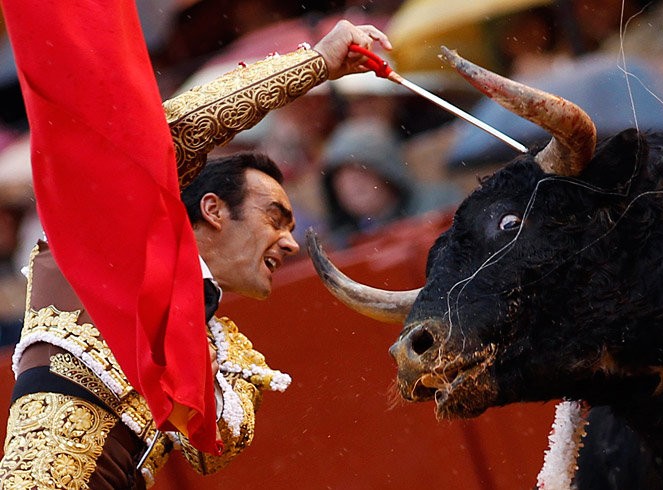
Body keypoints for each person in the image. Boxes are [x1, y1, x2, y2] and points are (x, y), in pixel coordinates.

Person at [0, 6, 392, 488]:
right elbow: (174, 129)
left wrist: (198, 337)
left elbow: (212, 448)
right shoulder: (100, 245)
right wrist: (316, 64)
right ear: (213, 209)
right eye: (274, 218)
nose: (290, 242)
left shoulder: (228, 348)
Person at [320, 117, 462, 248]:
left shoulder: (440, 205)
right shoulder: (341, 244)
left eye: (361, 170)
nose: (354, 183)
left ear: (387, 171)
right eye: (342, 176)